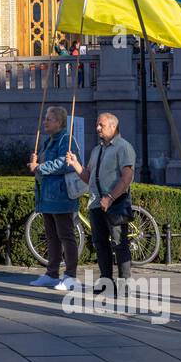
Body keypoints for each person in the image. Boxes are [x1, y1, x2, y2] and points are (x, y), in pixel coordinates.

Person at [66, 113, 135, 292]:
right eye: (97, 125)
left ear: (113, 127)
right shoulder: (97, 150)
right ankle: (106, 282)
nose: (97, 128)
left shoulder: (123, 147)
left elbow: (127, 177)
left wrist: (111, 197)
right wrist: (75, 165)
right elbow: (88, 177)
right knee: (100, 242)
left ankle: (124, 285)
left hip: (116, 202)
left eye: (101, 125)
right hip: (96, 202)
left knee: (119, 243)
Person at [28, 106, 82, 290]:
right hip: (47, 196)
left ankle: (70, 275)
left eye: (49, 119)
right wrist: (36, 161)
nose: (45, 122)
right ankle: (52, 273)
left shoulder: (67, 140)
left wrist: (39, 167)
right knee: (51, 236)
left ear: (59, 122)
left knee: (66, 235)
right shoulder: (48, 140)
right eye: (46, 119)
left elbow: (66, 163)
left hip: (61, 196)